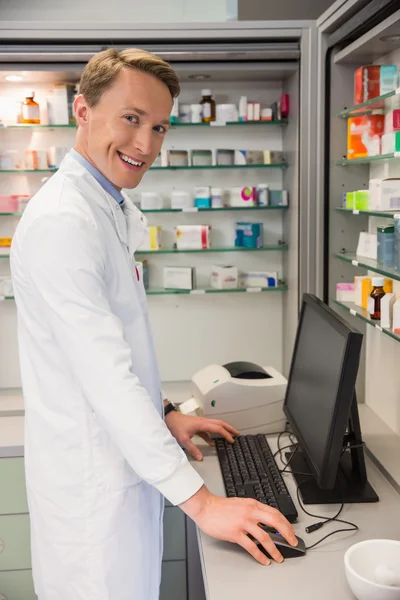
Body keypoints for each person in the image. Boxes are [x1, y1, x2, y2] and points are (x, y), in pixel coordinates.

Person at [10, 48, 297, 600]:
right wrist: (204, 504)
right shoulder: (63, 222)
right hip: (92, 503)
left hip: (120, 471)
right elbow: (105, 378)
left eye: (159, 126)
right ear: (83, 110)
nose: (146, 144)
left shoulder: (105, 207)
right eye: (131, 119)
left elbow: (116, 352)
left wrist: (165, 415)